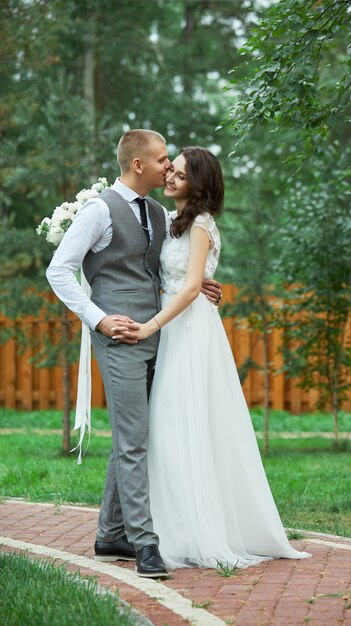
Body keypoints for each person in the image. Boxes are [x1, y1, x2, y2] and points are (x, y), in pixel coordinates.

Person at [111, 147, 311, 569]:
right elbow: (176, 277)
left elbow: (188, 288)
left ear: (198, 185)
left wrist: (150, 327)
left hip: (189, 330)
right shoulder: (172, 220)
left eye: (179, 175)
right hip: (176, 325)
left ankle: (193, 528)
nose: (170, 177)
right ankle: (168, 522)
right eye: (171, 170)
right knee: (167, 423)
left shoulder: (200, 224)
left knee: (185, 420)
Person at [46, 130, 221, 578]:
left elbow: (170, 264)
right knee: (133, 440)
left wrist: (199, 284)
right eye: (163, 160)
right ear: (139, 164)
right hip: (120, 336)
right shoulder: (98, 211)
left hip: (159, 333)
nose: (169, 167)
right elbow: (59, 270)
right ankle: (145, 543)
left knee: (133, 436)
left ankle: (110, 534)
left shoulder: (161, 213)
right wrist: (98, 318)